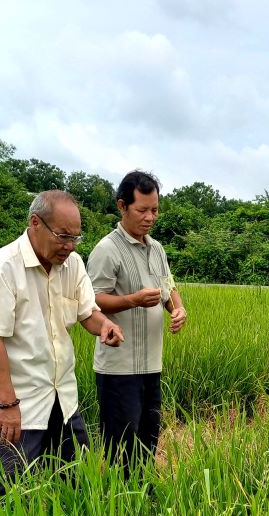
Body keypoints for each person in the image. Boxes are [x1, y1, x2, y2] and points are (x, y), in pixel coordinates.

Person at [0, 190, 123, 494]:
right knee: (9, 493)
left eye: (76, 238)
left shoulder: (74, 264)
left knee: (76, 482)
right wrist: (8, 404)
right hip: (16, 401)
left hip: (60, 397)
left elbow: (87, 311)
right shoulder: (1, 268)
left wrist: (104, 325)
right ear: (35, 222)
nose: (69, 246)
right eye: (63, 236)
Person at [86, 170, 186, 474]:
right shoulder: (106, 250)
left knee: (148, 440)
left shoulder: (157, 249)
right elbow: (92, 299)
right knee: (120, 448)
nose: (150, 217)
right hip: (119, 370)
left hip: (151, 366)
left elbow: (169, 288)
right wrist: (132, 299)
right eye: (142, 210)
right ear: (122, 206)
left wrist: (178, 309)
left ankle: (142, 498)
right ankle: (119, 507)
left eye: (154, 209)